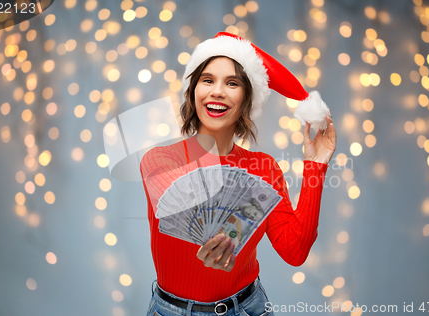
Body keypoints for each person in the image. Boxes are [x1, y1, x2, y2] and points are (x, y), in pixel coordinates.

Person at [140, 32, 337, 316]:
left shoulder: (264, 168)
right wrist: (218, 243)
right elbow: (196, 220)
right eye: (207, 80)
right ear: (193, 91)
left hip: (248, 308)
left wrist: (315, 165)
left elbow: (295, 251)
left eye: (232, 83)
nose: (217, 91)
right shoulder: (160, 160)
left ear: (247, 99)